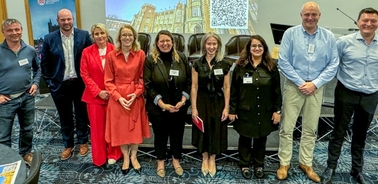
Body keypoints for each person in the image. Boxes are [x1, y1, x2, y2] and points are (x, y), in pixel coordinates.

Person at [276, 2, 339, 182]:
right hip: (294, 87)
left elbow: (333, 64)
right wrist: (301, 83)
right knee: (287, 127)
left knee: (310, 129)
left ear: (319, 15)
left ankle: (306, 162)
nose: (310, 17)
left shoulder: (328, 37)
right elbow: (283, 62)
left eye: (314, 14)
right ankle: (284, 163)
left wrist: (315, 83)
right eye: (307, 14)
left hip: (316, 89)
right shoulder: (290, 34)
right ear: (301, 15)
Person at [321, 8, 378, 184]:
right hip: (346, 93)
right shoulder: (344, 42)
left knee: (360, 135)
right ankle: (330, 167)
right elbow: (332, 65)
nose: (368, 24)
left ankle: (357, 170)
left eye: (373, 21)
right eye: (365, 20)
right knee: (338, 132)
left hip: (370, 95)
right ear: (357, 22)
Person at [40, 9, 92, 160]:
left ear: (73, 19)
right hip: (60, 84)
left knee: (82, 114)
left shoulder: (83, 35)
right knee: (65, 116)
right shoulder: (49, 38)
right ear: (58, 21)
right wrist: (51, 83)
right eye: (63, 20)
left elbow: (90, 58)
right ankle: (68, 144)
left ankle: (83, 141)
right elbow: (45, 64)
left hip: (80, 83)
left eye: (68, 19)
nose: (66, 22)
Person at [229, 35, 281, 179]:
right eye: (254, 46)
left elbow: (277, 91)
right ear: (249, 48)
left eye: (260, 46)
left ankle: (259, 164)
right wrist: (232, 110)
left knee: (261, 138)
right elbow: (234, 91)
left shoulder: (271, 67)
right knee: (244, 137)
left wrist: (277, 110)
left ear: (264, 48)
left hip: (264, 110)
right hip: (245, 110)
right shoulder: (240, 66)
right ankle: (244, 164)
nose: (257, 48)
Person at [104, 24, 151, 175]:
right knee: (122, 130)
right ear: (119, 38)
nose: (127, 38)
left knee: (135, 130)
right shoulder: (111, 55)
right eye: (124, 35)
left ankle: (134, 156)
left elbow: (144, 78)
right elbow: (108, 81)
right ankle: (125, 157)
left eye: (130, 35)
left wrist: (137, 93)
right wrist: (118, 97)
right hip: (117, 98)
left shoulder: (141, 54)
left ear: (134, 37)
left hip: (134, 97)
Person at [144, 30, 191, 178]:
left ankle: (176, 160)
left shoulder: (181, 58)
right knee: (160, 135)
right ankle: (161, 161)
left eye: (168, 41)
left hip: (179, 106)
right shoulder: (150, 59)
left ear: (173, 42)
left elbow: (189, 82)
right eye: (162, 41)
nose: (165, 44)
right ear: (157, 43)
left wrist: (183, 101)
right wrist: (162, 104)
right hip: (159, 107)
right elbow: (148, 85)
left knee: (177, 134)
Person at [80, 23, 122, 167]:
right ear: (92, 36)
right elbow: (84, 74)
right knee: (97, 129)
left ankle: (114, 153)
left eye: (102, 33)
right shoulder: (86, 52)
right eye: (96, 34)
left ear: (107, 34)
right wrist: (98, 92)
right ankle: (99, 157)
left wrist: (111, 91)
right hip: (94, 97)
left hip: (113, 95)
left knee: (113, 126)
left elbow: (120, 73)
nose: (99, 36)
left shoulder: (115, 50)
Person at [0, 18, 41, 165]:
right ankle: (6, 159)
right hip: (6, 101)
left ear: (21, 30)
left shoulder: (29, 50)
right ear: (3, 32)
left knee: (28, 129)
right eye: (10, 30)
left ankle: (25, 152)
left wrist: (35, 84)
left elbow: (38, 69)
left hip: (26, 97)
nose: (14, 33)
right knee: (4, 135)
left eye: (17, 29)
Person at [191, 32, 231, 178]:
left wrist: (227, 108)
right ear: (204, 45)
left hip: (218, 101)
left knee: (215, 129)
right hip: (201, 100)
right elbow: (194, 86)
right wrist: (194, 108)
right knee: (203, 129)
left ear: (218, 46)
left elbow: (227, 87)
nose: (211, 47)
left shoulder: (225, 63)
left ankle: (212, 158)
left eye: (214, 44)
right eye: (209, 44)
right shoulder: (197, 63)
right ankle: (204, 157)